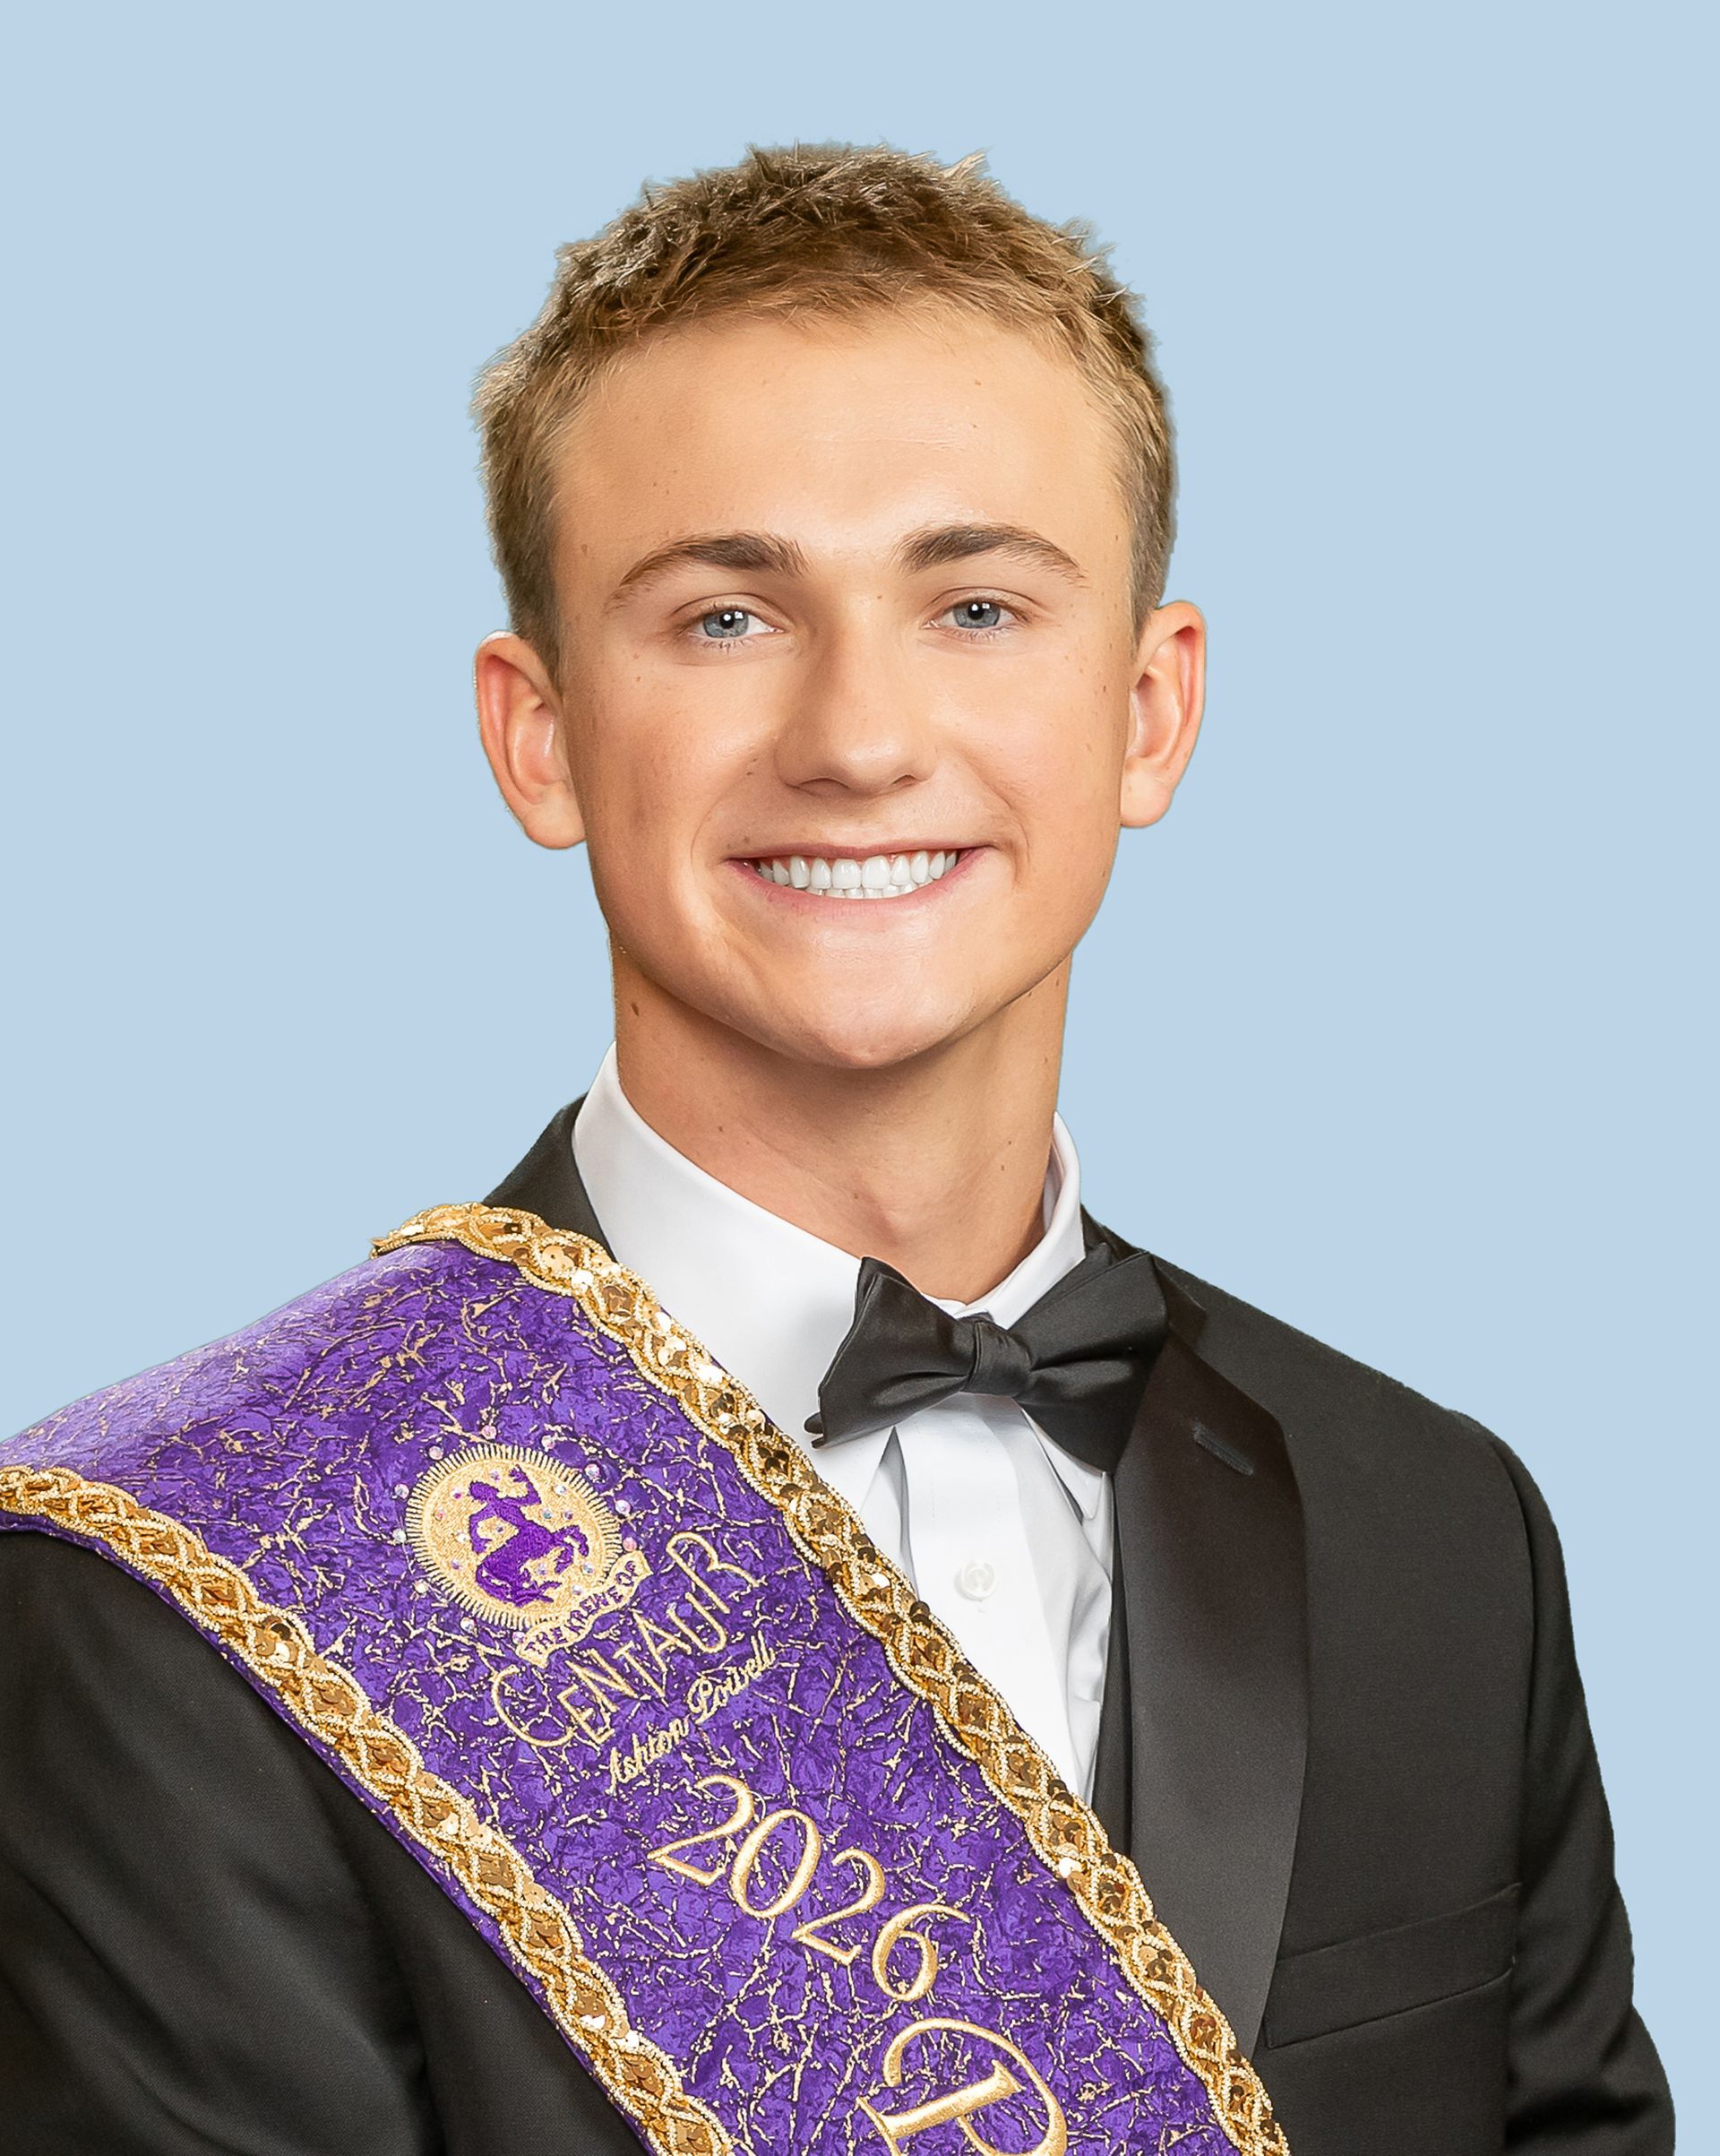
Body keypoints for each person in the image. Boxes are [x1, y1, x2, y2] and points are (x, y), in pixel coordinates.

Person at [0, 143, 1672, 2156]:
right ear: (539, 735)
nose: (860, 736)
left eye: (975, 604)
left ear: (1151, 711)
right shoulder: (179, 1591)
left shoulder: (1433, 1527)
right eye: (723, 617)